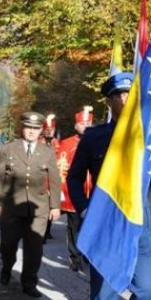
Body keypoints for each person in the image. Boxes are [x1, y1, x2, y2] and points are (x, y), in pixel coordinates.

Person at [67, 72, 151, 300]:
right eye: (117, 94)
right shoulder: (95, 137)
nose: (124, 98)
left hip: (139, 222)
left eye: (129, 93)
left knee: (146, 288)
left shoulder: (149, 134)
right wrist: (83, 209)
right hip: (105, 222)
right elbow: (74, 177)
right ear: (109, 102)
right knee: (104, 294)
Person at [0, 112, 61, 298]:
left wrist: (55, 206)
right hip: (12, 207)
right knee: (8, 245)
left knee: (34, 248)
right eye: (28, 128)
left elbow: (54, 179)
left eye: (36, 129)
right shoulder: (9, 149)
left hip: (38, 208)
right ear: (23, 128)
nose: (31, 132)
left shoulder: (47, 152)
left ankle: (29, 283)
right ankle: (6, 267)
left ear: (41, 131)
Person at [56, 106, 93, 272]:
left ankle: (89, 254)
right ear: (76, 125)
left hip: (94, 192)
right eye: (82, 123)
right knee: (74, 226)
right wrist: (62, 192)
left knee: (91, 226)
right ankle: (75, 257)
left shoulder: (98, 140)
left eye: (88, 123)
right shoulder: (67, 143)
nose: (85, 126)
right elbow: (61, 169)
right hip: (75, 193)